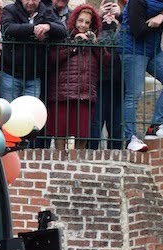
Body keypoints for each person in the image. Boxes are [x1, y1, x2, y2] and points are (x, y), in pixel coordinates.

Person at [120, 0, 163, 152]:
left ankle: (155, 127)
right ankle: (130, 138)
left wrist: (161, 17)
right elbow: (137, 29)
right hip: (133, 49)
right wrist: (161, 14)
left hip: (153, 50)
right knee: (133, 94)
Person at [48, 4, 109, 147]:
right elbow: (53, 58)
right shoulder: (64, 36)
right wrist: (74, 44)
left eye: (87, 22)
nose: (83, 25)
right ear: (74, 20)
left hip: (85, 93)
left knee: (82, 133)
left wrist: (94, 44)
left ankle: (78, 163)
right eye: (80, 21)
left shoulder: (94, 40)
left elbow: (105, 61)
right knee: (60, 132)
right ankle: (60, 162)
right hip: (63, 93)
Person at [0, 0, 67, 103]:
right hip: (10, 74)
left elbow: (62, 30)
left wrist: (48, 26)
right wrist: (33, 29)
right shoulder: (10, 10)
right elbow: (7, 28)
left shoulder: (47, 11)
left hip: (34, 77)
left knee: (30, 114)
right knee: (9, 113)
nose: (30, 2)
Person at [91, 1, 126, 148]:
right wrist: (98, 18)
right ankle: (90, 154)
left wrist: (121, 17)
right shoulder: (95, 27)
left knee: (117, 124)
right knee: (96, 122)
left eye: (113, 7)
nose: (109, 11)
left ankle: (117, 155)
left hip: (119, 81)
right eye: (107, 7)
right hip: (99, 81)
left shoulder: (123, 26)